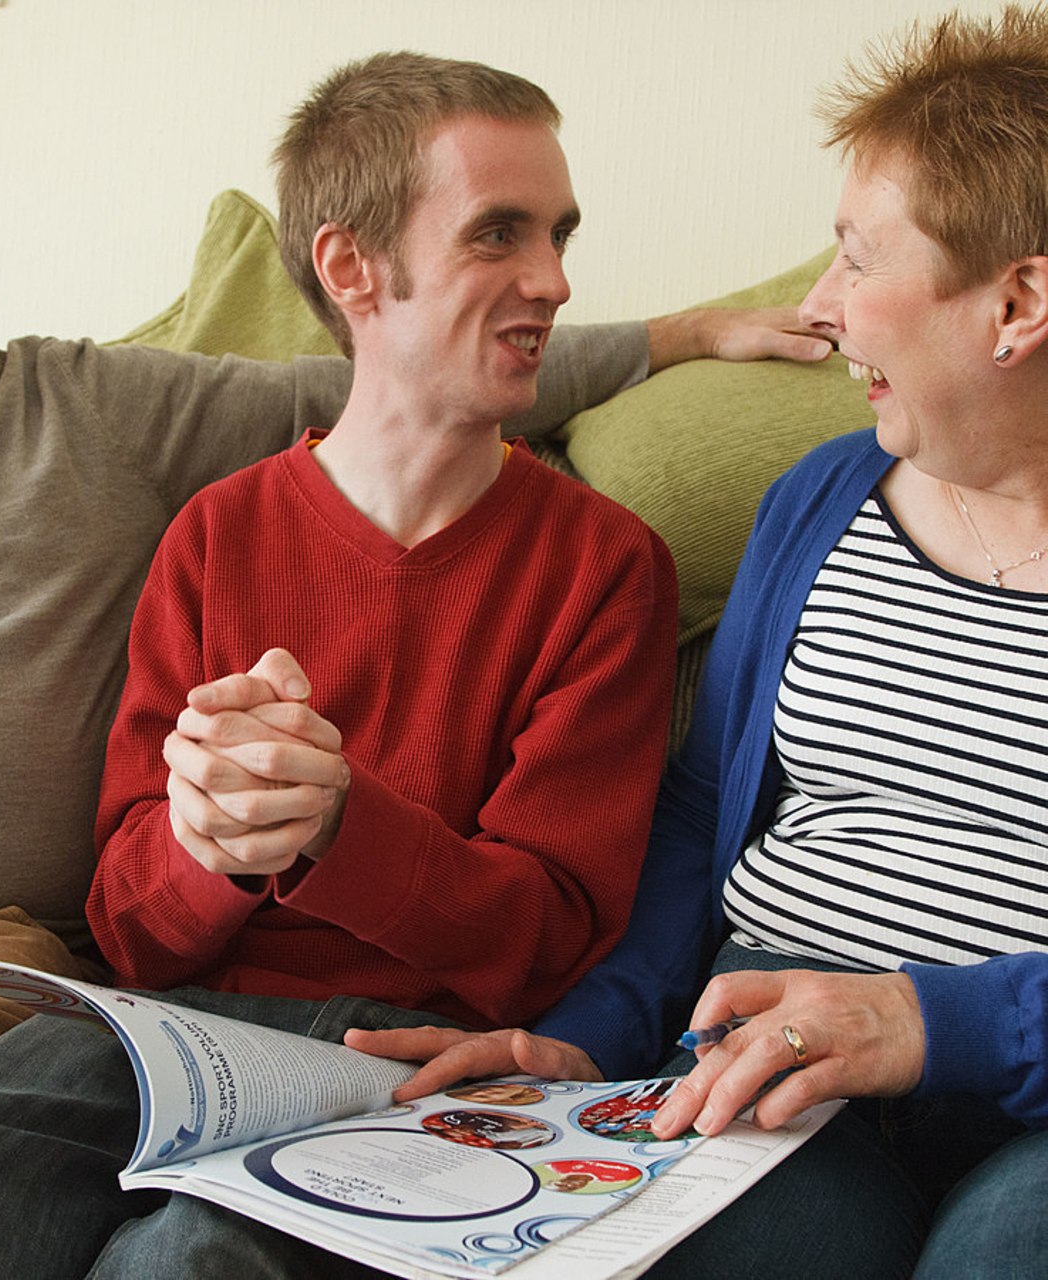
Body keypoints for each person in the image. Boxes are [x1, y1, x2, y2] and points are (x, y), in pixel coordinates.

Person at [0, 78, 822, 1277]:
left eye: (556, 235)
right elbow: (126, 919)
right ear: (352, 267)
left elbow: (550, 940)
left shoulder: (598, 564)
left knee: (184, 1258)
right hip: (173, 1030)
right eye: (499, 233)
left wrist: (338, 824)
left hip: (409, 1047)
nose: (553, 279)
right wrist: (206, 845)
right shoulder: (215, 535)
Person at [348, 9, 1048, 1278]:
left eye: (855, 259)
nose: (821, 310)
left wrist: (933, 1021)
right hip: (764, 1058)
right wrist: (592, 1029)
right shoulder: (823, 497)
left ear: (1016, 302)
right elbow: (691, 812)